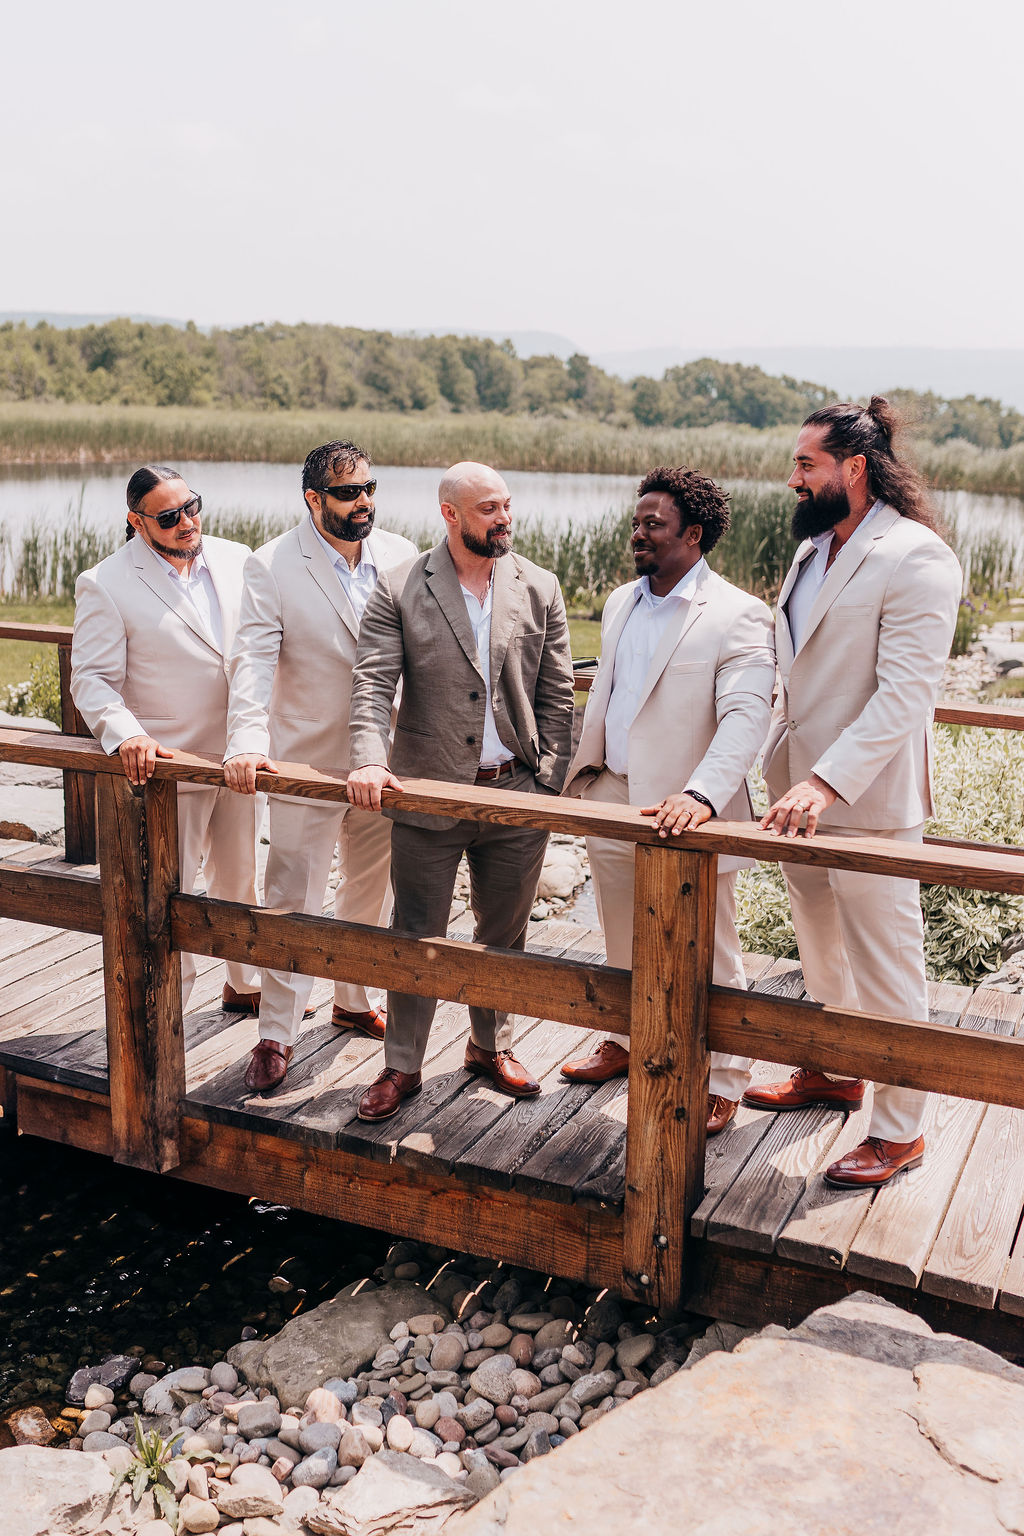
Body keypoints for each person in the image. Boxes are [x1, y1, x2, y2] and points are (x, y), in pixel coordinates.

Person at [745, 396, 963, 1187]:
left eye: (807, 464)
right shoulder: (813, 554)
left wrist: (826, 782)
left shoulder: (917, 558)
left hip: (863, 802)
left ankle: (901, 1131)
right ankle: (834, 1071)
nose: (793, 477)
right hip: (792, 793)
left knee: (886, 964)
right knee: (821, 947)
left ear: (856, 469)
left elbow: (906, 693)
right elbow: (792, 672)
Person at [345, 461, 575, 1121]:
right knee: (416, 932)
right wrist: (368, 760)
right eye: (487, 509)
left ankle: (490, 1046)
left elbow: (557, 695)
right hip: (427, 794)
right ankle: (402, 1066)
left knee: (505, 934)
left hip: (515, 796)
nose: (503, 518)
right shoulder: (399, 587)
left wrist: (547, 784)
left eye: (506, 506)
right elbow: (370, 683)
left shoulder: (541, 585)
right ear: (450, 514)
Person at [558, 466, 775, 1133]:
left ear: (695, 534)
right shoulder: (623, 599)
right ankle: (626, 1041)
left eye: (653, 524)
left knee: (712, 949)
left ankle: (728, 1078)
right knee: (620, 929)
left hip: (688, 811)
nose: (638, 534)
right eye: (636, 522)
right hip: (614, 794)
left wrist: (703, 794)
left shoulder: (738, 613)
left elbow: (744, 715)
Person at [224, 442, 418, 1093]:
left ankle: (354, 1000)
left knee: (371, 892)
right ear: (313, 499)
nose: (363, 502)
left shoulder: (401, 553)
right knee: (291, 900)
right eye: (347, 492)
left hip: (384, 764)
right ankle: (276, 1032)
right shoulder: (271, 564)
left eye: (369, 488)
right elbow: (251, 661)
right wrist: (246, 744)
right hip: (305, 760)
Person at [71, 466, 261, 1012]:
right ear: (137, 522)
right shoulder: (105, 582)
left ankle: (246, 986)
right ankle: (168, 1008)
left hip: (240, 757)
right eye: (170, 516)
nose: (187, 523)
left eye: (192, 507)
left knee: (241, 882)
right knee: (169, 898)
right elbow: (91, 679)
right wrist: (126, 734)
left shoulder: (237, 557)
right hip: (169, 771)